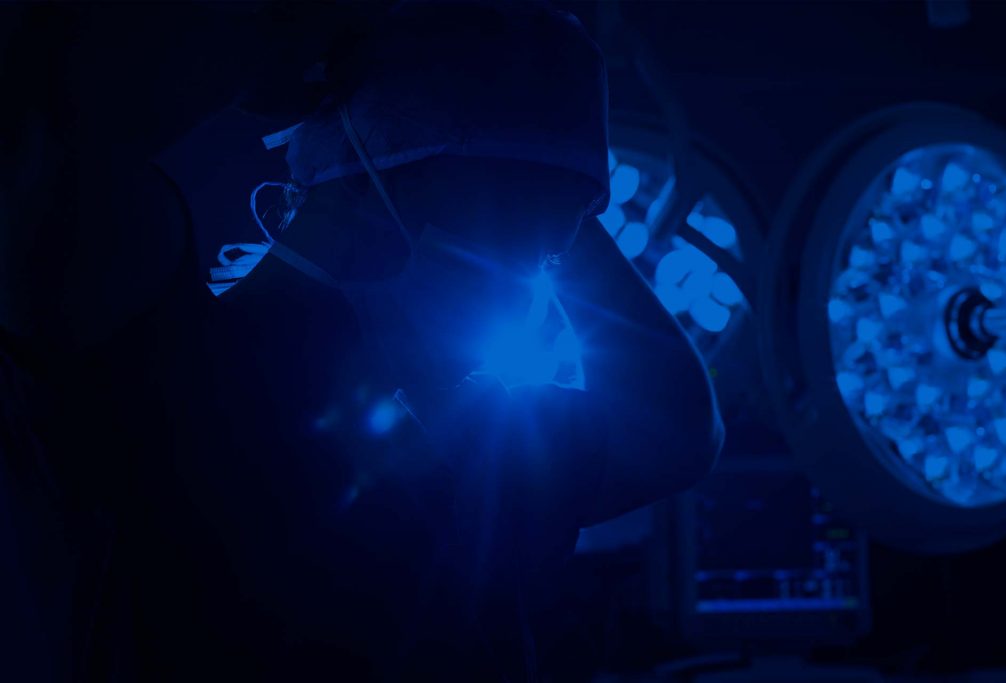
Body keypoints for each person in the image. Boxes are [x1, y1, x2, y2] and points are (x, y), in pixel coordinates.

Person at [3, 2, 723, 680]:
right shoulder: (169, 358)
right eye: (505, 235)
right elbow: (45, 139)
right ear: (361, 179)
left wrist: (554, 164)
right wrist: (263, 39)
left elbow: (677, 431)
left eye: (548, 257)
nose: (526, 285)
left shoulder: (473, 432)